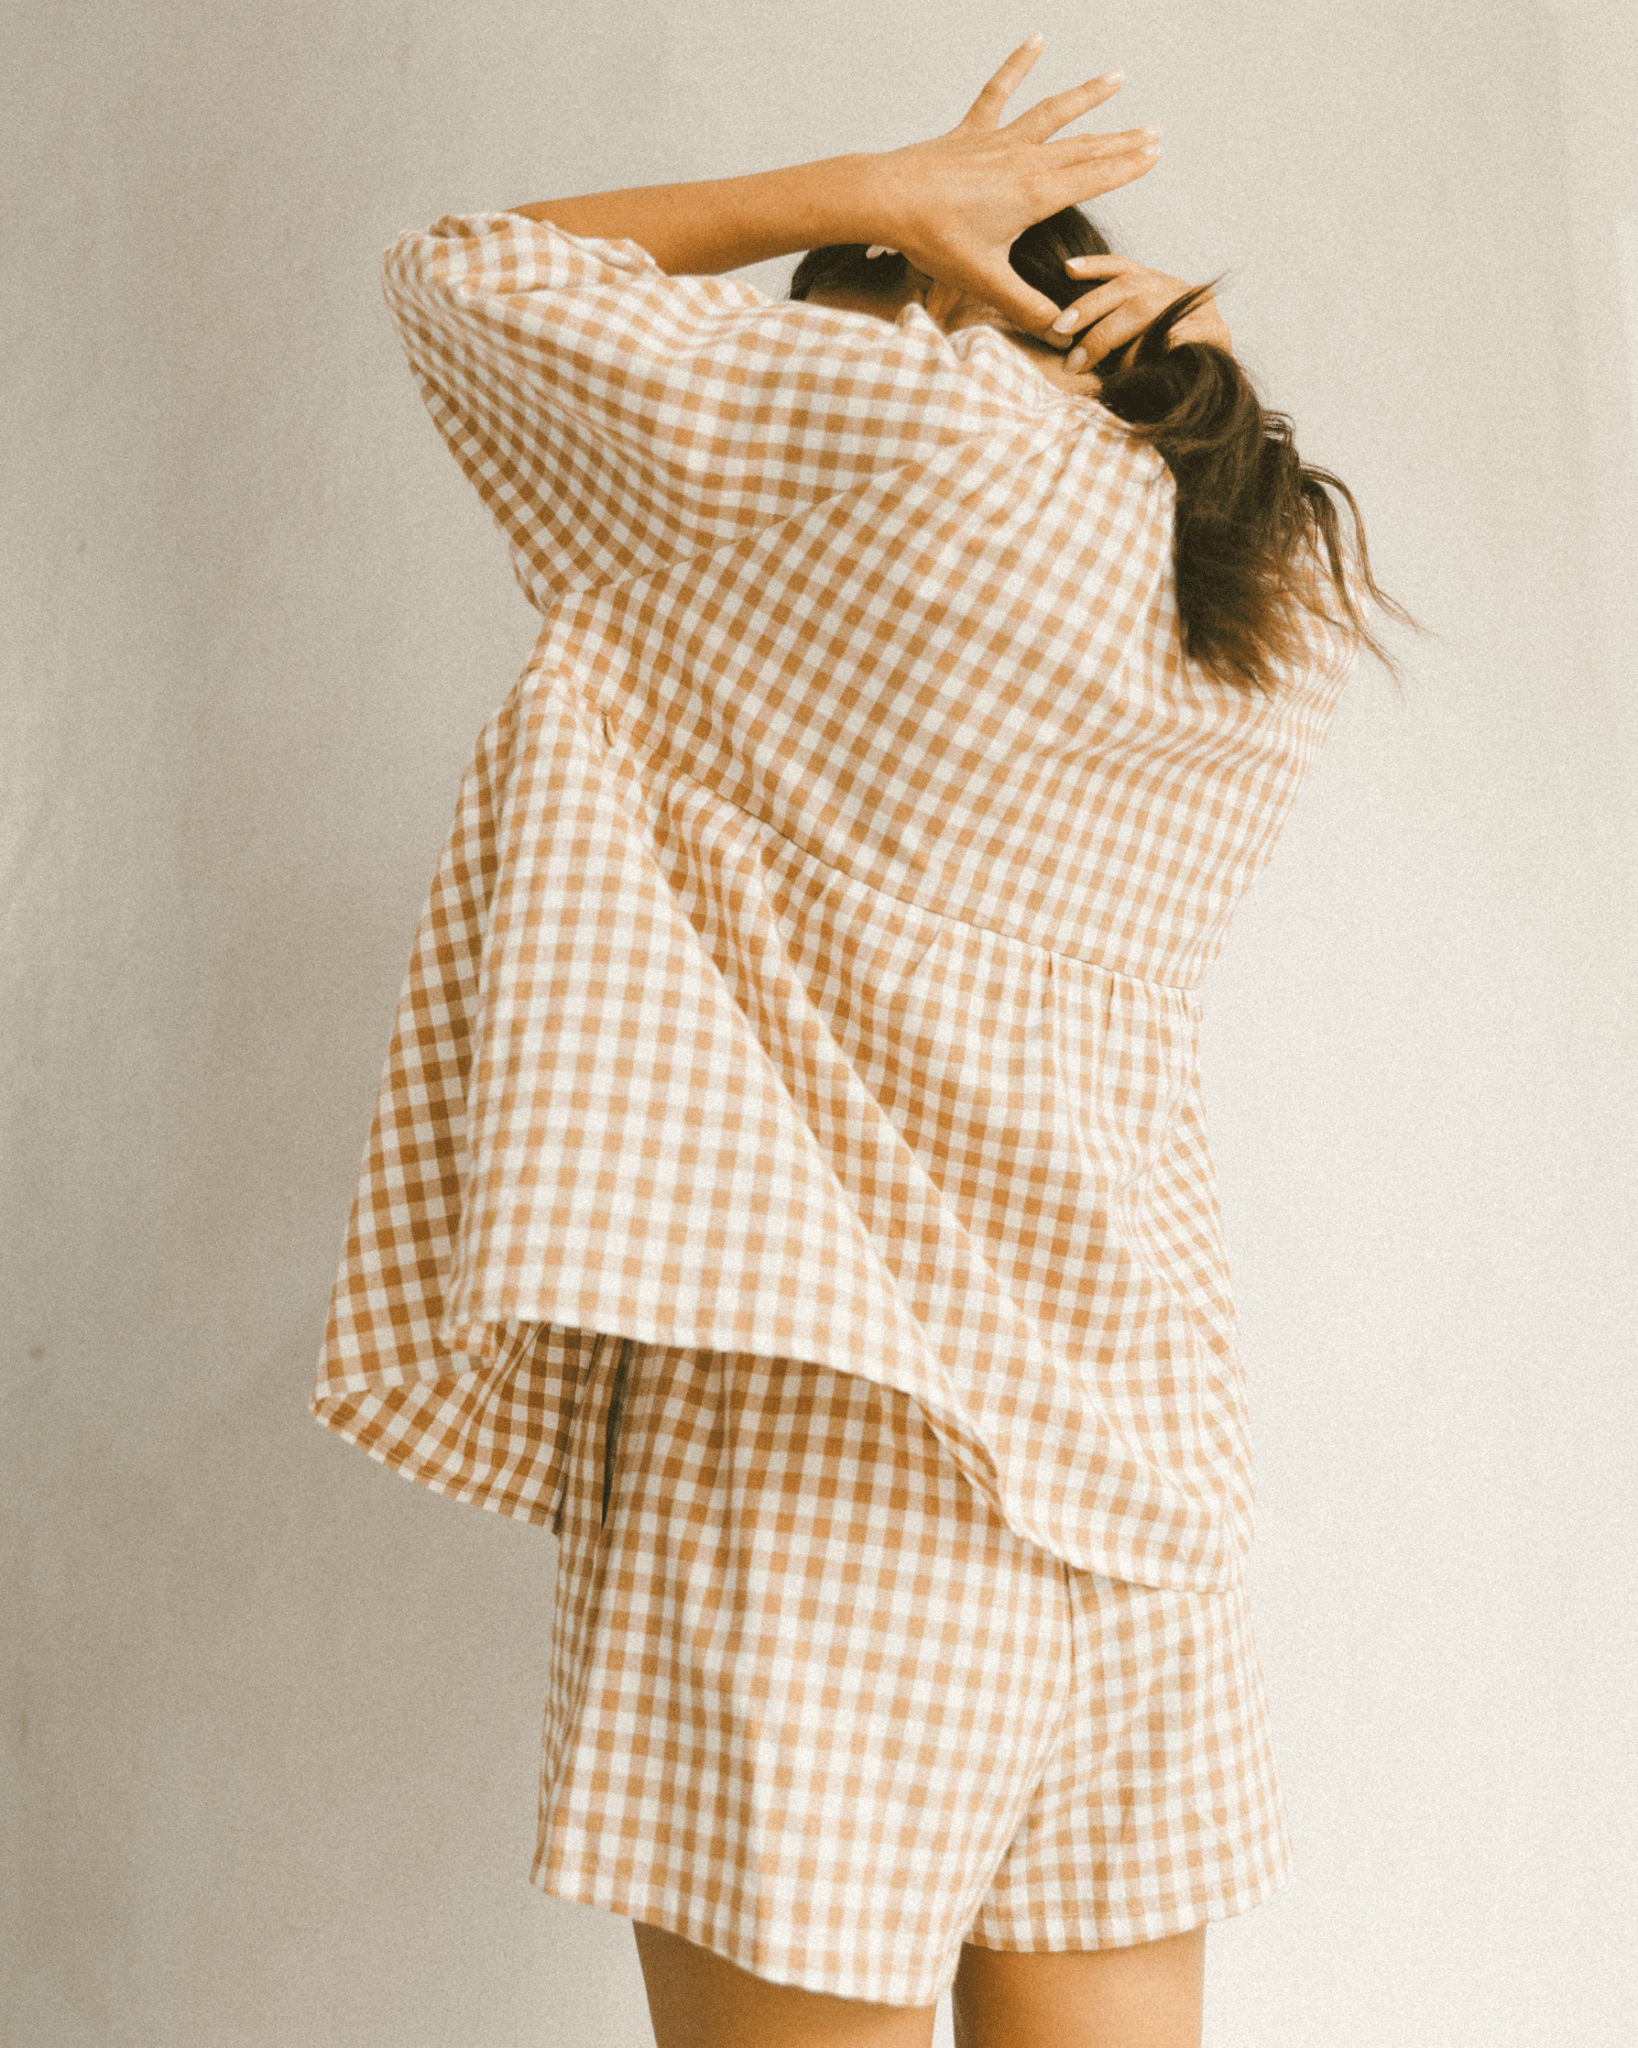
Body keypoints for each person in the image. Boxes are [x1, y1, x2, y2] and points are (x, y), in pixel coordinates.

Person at [310, 36, 1414, 2048]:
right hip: (1145, 1459)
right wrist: (1193, 389)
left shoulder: (878, 445)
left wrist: (855, 189)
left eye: (825, 296)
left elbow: (464, 268)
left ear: (920, 302)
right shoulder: (1261, 595)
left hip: (833, 1459)